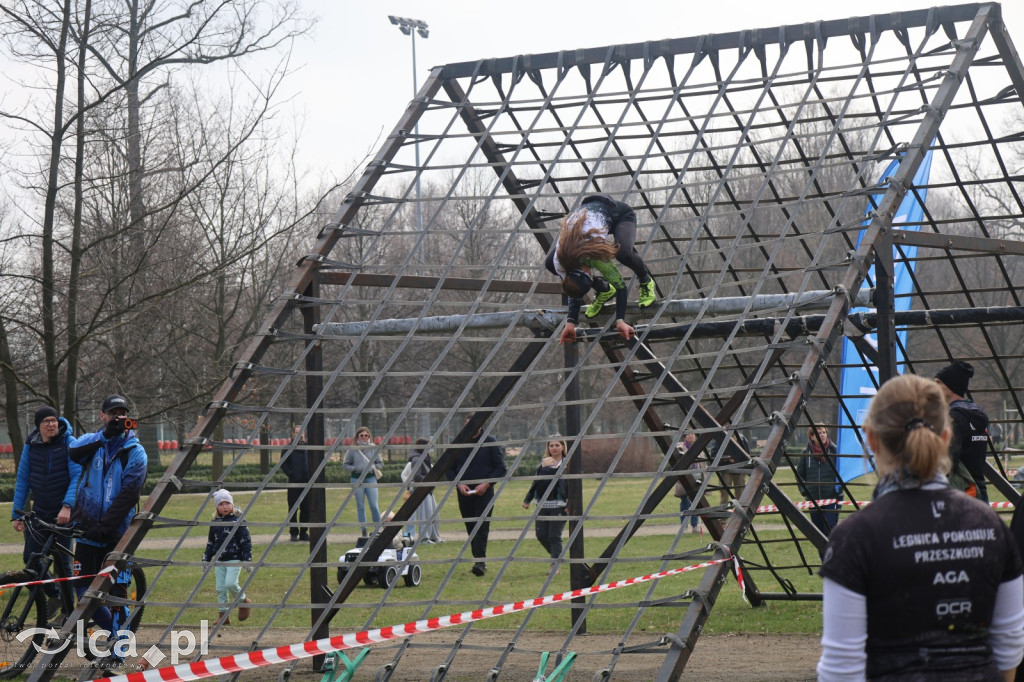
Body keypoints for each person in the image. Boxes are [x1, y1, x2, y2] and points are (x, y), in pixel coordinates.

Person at [817, 374, 1024, 681]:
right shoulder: (990, 525)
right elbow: (1009, 647)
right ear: (945, 437)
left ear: (872, 439)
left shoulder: (855, 537)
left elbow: (840, 669)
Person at [68, 394, 148, 668]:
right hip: (89, 531)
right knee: (82, 588)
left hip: (118, 534)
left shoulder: (135, 450)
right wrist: (104, 435)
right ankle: (115, 635)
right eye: (112, 413)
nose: (118, 417)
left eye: (122, 413)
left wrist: (106, 527)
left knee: (117, 594)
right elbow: (73, 452)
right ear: (102, 415)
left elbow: (129, 494)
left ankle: (118, 654)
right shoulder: (93, 442)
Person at [544, 194, 657, 344]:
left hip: (619, 215)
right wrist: (570, 322)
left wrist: (620, 321)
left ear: (586, 272)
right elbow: (573, 288)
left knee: (623, 254)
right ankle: (604, 289)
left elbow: (621, 287)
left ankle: (646, 280)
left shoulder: (594, 254)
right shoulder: (559, 263)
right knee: (549, 264)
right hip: (588, 221)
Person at [11, 405, 81, 616]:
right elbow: (23, 480)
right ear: (38, 425)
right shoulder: (31, 446)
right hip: (39, 511)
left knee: (63, 566)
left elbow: (78, 476)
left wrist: (67, 506)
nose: (51, 424)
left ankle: (69, 613)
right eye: (46, 421)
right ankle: (55, 593)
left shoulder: (70, 442)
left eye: (54, 420)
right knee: (31, 559)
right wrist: (17, 514)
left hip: (63, 513)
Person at [446, 420, 507, 576]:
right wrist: (459, 484)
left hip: (484, 492)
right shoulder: (458, 443)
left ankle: (480, 562)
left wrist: (486, 484)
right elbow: (449, 469)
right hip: (464, 492)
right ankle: (479, 559)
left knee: (481, 525)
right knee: (470, 526)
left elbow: (500, 468)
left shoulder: (490, 442)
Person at [935, 360, 991, 502]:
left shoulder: (954, 419)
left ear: (950, 387)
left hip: (959, 494)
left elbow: (947, 460)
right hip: (978, 490)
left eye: (938, 382)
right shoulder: (978, 416)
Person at [202, 489, 252, 626]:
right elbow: (211, 543)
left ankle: (243, 601)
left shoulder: (238, 521)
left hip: (234, 558)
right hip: (219, 560)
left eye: (227, 503)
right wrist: (206, 559)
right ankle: (223, 616)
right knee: (220, 588)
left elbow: (246, 541)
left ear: (232, 504)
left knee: (230, 583)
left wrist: (247, 560)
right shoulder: (215, 523)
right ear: (216, 507)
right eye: (221, 504)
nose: (224, 507)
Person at [522, 437, 569, 567]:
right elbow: (536, 484)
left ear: (563, 447)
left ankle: (555, 564)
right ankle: (556, 556)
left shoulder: (568, 465)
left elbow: (573, 486)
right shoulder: (543, 464)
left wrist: (570, 504)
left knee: (554, 536)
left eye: (557, 445)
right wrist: (527, 499)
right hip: (542, 505)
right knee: (541, 535)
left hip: (559, 505)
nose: (554, 448)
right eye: (551, 446)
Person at [796, 423, 842, 540]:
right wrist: (805, 491)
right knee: (818, 532)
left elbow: (843, 473)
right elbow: (799, 474)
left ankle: (832, 556)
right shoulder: (805, 454)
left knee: (830, 529)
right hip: (813, 499)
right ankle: (824, 558)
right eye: (818, 433)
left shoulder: (836, 451)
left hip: (831, 498)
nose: (822, 435)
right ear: (811, 436)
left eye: (824, 432)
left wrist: (838, 490)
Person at [343, 426, 383, 537]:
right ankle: (364, 529)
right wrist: (355, 468)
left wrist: (373, 467)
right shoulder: (352, 449)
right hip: (357, 478)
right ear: (357, 436)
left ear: (369, 436)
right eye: (361, 435)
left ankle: (377, 528)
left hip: (370, 478)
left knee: (374, 505)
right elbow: (346, 465)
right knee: (360, 506)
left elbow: (380, 463)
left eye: (366, 435)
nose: (364, 437)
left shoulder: (373, 448)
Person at [404, 439, 441, 544]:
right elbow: (417, 476)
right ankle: (424, 538)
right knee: (425, 515)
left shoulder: (424, 457)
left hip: (428, 489)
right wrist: (430, 479)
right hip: (421, 490)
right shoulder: (417, 459)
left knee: (434, 514)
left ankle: (434, 537)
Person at [280, 426, 311, 542]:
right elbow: (283, 464)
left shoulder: (308, 447)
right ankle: (293, 533)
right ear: (293, 434)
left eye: (302, 433)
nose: (300, 435)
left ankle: (304, 532)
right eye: (297, 433)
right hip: (294, 483)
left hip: (307, 483)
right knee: (293, 508)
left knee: (306, 509)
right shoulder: (288, 448)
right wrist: (291, 474)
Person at [671, 433, 702, 534]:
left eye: (692, 434)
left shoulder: (700, 447)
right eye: (688, 434)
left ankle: (695, 525)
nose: (690, 436)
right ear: (685, 437)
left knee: (695, 502)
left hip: (697, 477)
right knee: (685, 502)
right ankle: (684, 525)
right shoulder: (680, 447)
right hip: (685, 477)